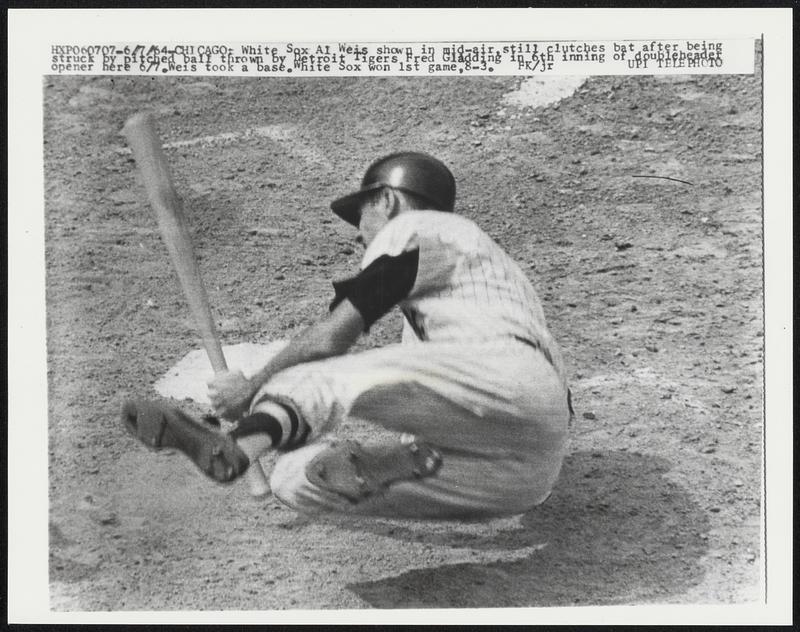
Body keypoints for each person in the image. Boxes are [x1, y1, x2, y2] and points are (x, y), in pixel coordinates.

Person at [127, 152, 572, 520]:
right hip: (528, 473)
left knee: (310, 374)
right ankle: (385, 466)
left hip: (504, 378)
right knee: (295, 479)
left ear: (388, 201)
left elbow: (331, 337)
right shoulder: (484, 298)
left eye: (362, 215)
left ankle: (237, 444)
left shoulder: (425, 229)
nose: (360, 236)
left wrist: (250, 389)